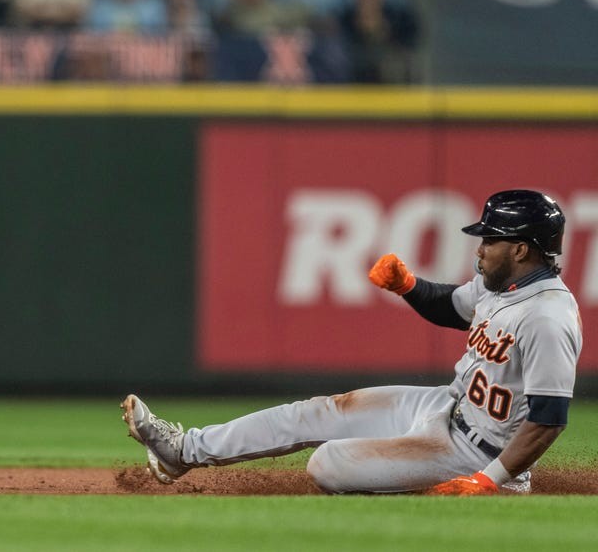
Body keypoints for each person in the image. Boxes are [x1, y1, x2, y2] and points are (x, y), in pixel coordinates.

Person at [123, 189, 580, 495]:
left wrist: (490, 479)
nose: (479, 249)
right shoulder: (501, 286)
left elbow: (547, 419)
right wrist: (409, 286)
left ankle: (466, 491)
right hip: (445, 406)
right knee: (321, 410)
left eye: (490, 240)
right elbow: (451, 308)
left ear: (521, 249)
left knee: (328, 464)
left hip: (477, 451)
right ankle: (182, 451)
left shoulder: (547, 316)